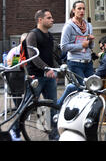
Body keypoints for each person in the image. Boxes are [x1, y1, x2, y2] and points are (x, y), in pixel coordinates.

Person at [57, 35, 106, 106]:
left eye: (101, 47)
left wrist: (93, 76)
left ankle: (58, 105)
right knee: (73, 86)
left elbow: (104, 67)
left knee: (71, 87)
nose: (102, 50)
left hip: (102, 84)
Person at [25, 9, 60, 140]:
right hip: (36, 77)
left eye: (52, 17)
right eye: (49, 18)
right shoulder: (32, 35)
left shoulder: (50, 36)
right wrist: (46, 69)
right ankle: (16, 130)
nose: (52, 20)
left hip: (49, 76)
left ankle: (54, 135)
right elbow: (33, 56)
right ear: (40, 20)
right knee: (27, 105)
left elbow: (51, 56)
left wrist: (55, 71)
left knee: (53, 106)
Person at [60, 1, 95, 84]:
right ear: (73, 10)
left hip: (88, 62)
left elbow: (91, 47)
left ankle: (69, 90)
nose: (82, 11)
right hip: (75, 62)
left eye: (83, 9)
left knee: (92, 87)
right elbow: (63, 46)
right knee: (83, 87)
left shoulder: (89, 25)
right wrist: (81, 45)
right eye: (79, 8)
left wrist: (91, 40)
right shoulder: (68, 26)